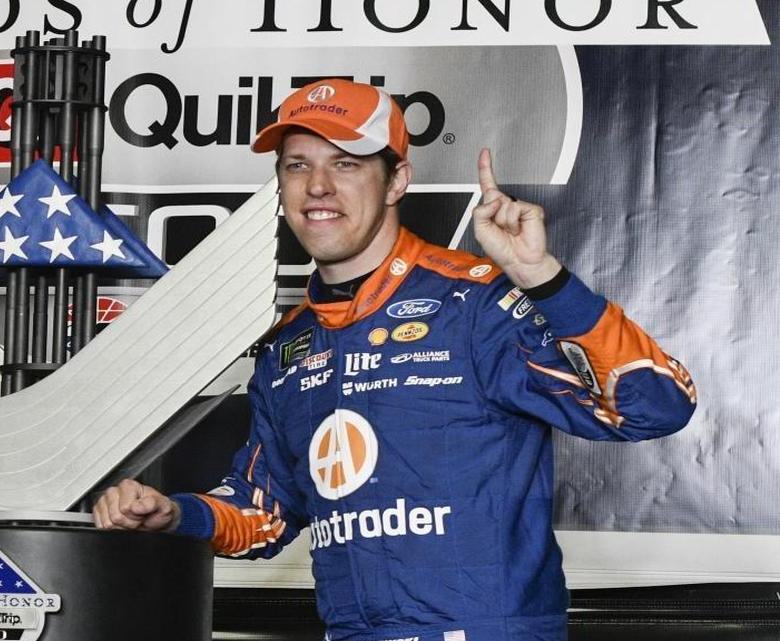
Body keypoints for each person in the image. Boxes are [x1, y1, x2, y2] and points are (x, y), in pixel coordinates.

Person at [93, 79, 696, 641]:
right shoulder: (287, 347)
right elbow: (265, 515)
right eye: (298, 165)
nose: (318, 187)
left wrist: (542, 277)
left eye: (346, 164)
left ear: (397, 181)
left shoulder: (476, 301)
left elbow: (655, 409)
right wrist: (175, 515)